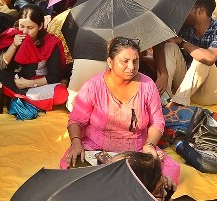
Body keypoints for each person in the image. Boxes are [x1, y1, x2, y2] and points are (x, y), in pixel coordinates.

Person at [61, 37, 180, 188]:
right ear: (110, 62)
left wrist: (149, 145)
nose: (131, 67)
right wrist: (76, 143)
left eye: (135, 61)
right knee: (69, 166)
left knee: (171, 171)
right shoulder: (93, 86)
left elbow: (157, 122)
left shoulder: (148, 85)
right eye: (125, 61)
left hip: (137, 151)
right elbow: (76, 121)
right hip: (97, 148)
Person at [152, 0, 217, 106]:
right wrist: (164, 74)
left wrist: (181, 42)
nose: (183, 11)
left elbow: (210, 58)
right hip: (187, 87)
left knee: (203, 59)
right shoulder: (185, 26)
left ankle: (175, 105)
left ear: (200, 11)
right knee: (169, 46)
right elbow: (159, 44)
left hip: (211, 92)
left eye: (188, 7)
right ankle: (163, 97)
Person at [0, 5, 66, 108]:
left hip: (39, 85)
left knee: (61, 92)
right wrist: (14, 46)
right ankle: (27, 99)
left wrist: (29, 83)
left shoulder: (50, 43)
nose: (25, 31)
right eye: (22, 26)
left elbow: (54, 76)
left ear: (40, 26)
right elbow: (0, 66)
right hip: (16, 82)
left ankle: (18, 97)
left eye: (30, 28)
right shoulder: (11, 36)